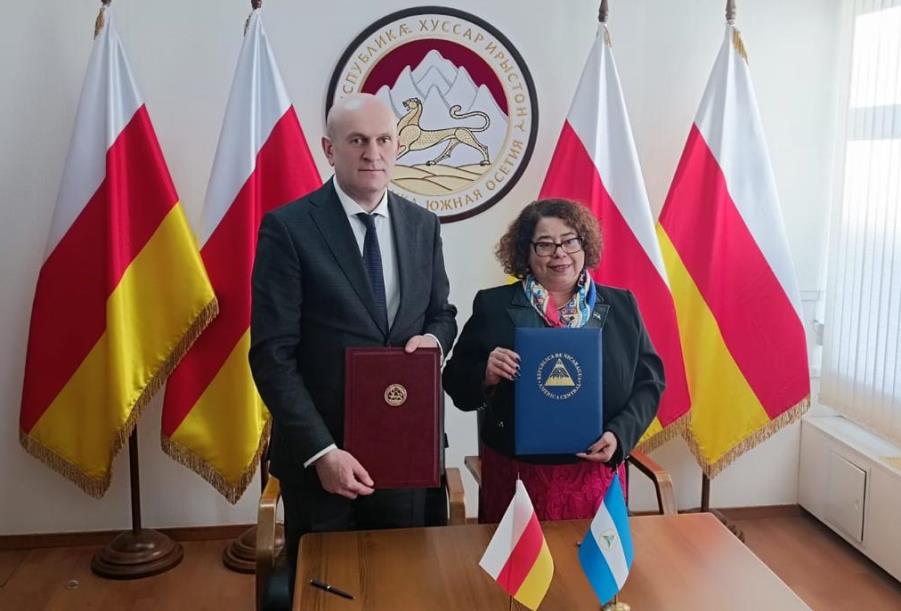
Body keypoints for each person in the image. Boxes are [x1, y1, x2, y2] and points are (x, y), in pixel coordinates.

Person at [249, 94, 457, 566]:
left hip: (405, 444)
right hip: (322, 458)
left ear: (398, 146)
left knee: (403, 579)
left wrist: (434, 342)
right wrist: (322, 452)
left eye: (383, 140)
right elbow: (272, 354)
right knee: (327, 584)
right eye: (358, 140)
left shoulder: (423, 225)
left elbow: (442, 314)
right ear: (330, 149)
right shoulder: (288, 228)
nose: (373, 153)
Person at [442, 198, 664, 522]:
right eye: (545, 245)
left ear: (585, 245)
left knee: (591, 558)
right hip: (517, 475)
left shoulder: (622, 306)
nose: (559, 253)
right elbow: (454, 379)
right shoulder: (494, 306)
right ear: (526, 252)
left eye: (570, 241)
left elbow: (650, 383)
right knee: (517, 558)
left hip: (596, 471)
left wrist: (619, 435)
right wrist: (484, 373)